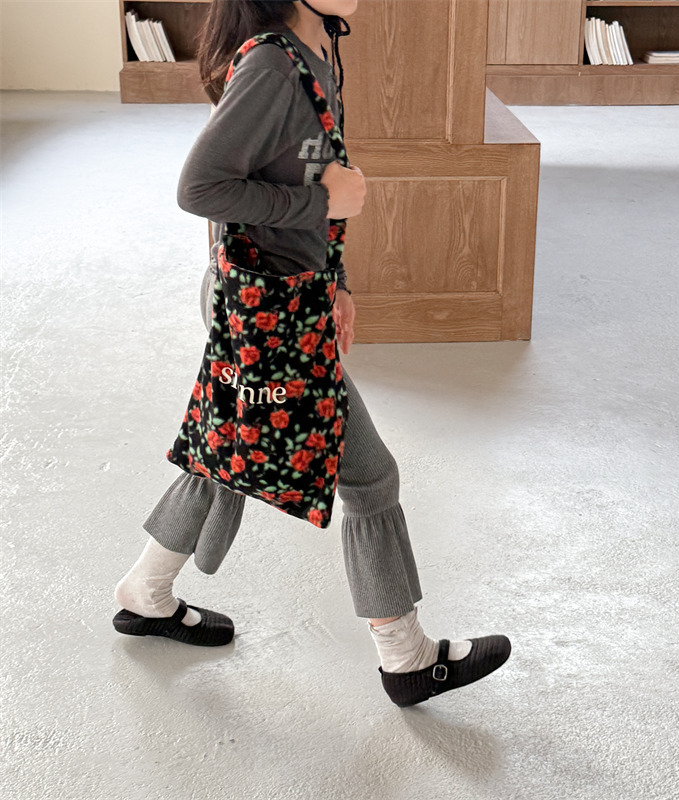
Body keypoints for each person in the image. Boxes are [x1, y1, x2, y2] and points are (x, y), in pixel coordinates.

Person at [112, 0, 511, 707]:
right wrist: (321, 205)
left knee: (226, 452)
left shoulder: (314, 57)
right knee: (370, 475)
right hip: (268, 310)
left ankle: (145, 592)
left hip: (287, 297)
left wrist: (338, 281)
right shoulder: (273, 65)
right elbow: (201, 187)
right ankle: (406, 656)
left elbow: (313, 171)